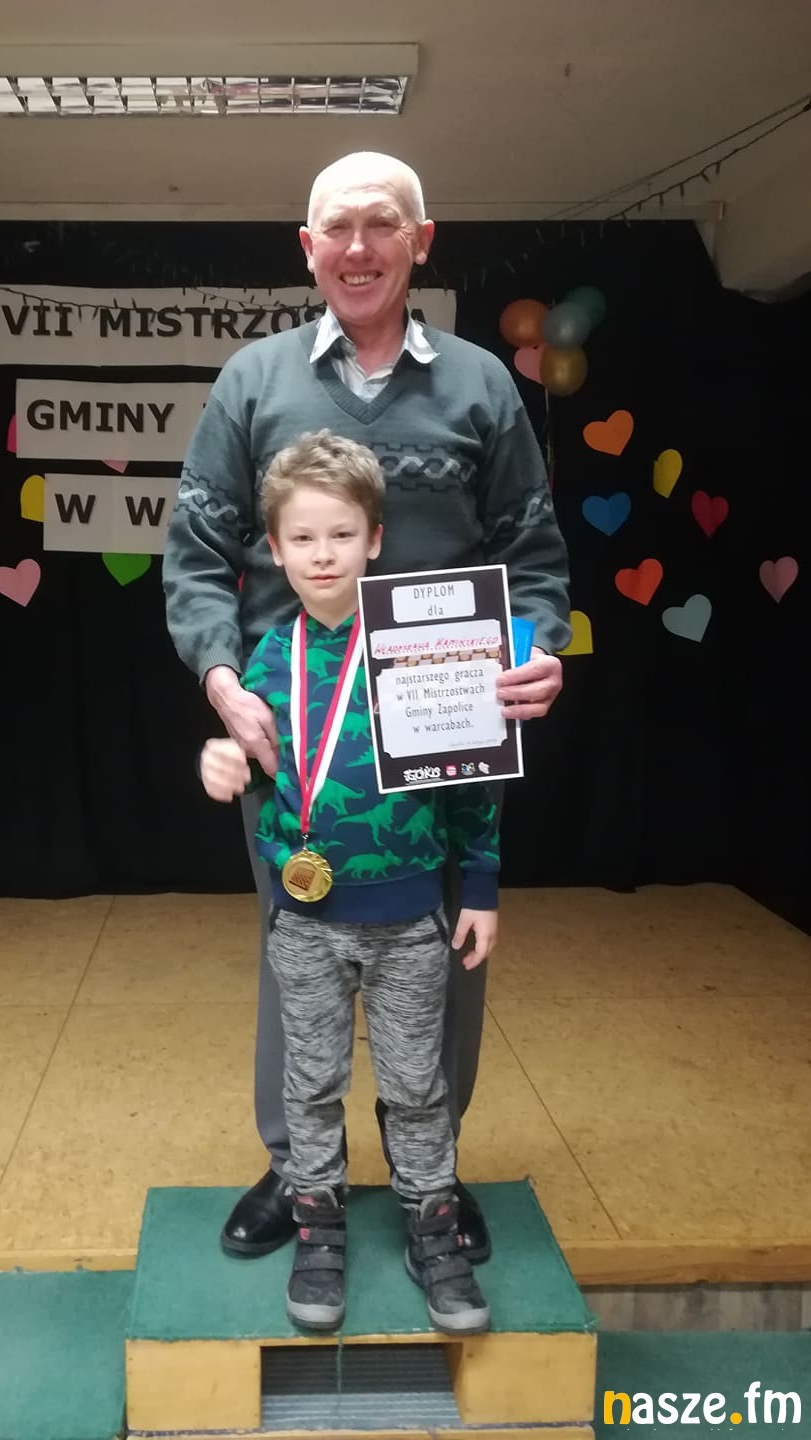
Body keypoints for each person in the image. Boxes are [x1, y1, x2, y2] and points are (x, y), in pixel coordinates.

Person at [164, 149, 571, 1265]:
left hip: (448, 723)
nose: (358, 247)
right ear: (307, 249)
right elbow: (194, 558)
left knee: (445, 958)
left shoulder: (481, 385)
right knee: (295, 955)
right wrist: (223, 682)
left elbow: (534, 555)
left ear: (420, 241)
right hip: (296, 738)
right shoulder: (254, 381)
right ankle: (299, 1168)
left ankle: (427, 1170)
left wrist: (538, 650)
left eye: (382, 224)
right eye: (336, 228)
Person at [200, 430, 495, 1333]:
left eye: (340, 535)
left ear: (375, 540)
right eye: (302, 537)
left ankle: (431, 1223)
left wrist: (482, 888)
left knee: (416, 1084)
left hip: (411, 918)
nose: (322, 554)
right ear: (274, 548)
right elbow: (253, 757)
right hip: (306, 921)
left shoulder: (422, 647)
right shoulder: (267, 660)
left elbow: (470, 780)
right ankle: (318, 1224)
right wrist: (223, 760)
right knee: (311, 1081)